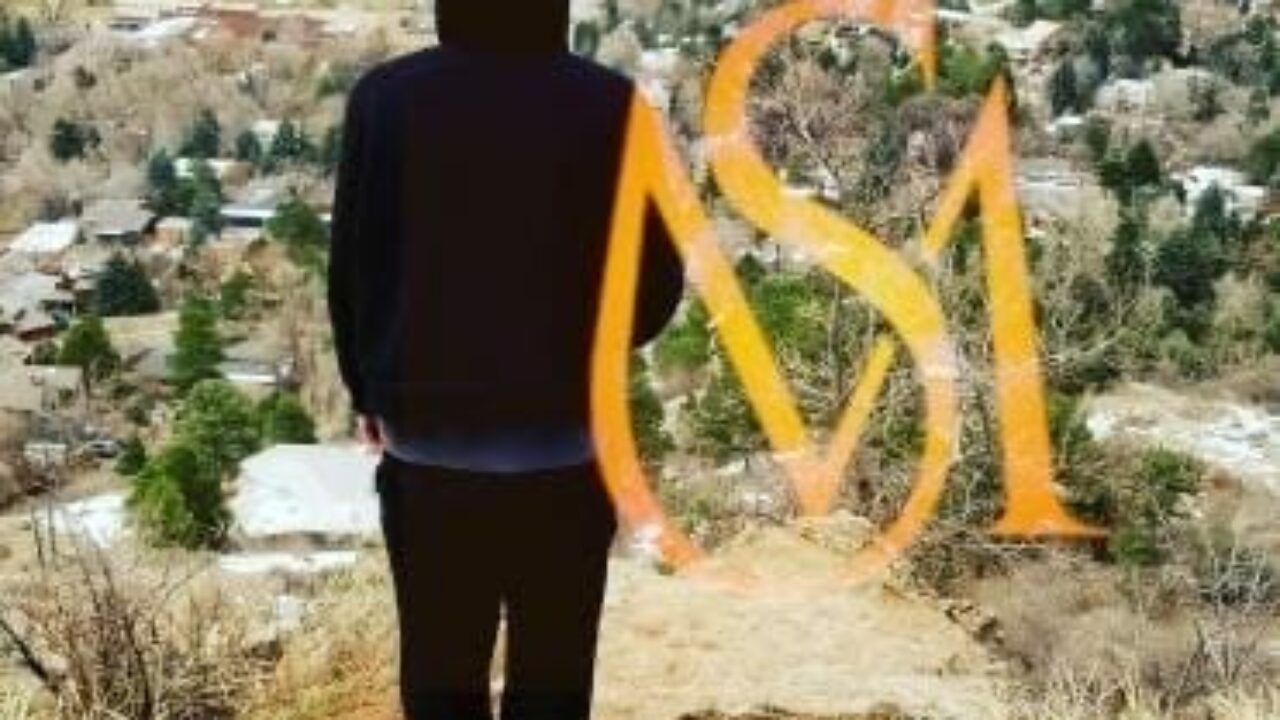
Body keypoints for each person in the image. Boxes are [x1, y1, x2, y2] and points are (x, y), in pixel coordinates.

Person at [326, 1, 684, 718]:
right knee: (553, 674)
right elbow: (654, 283)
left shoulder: (386, 99)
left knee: (439, 669)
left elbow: (354, 269)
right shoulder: (610, 103)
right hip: (565, 440)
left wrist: (369, 392)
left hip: (428, 437)